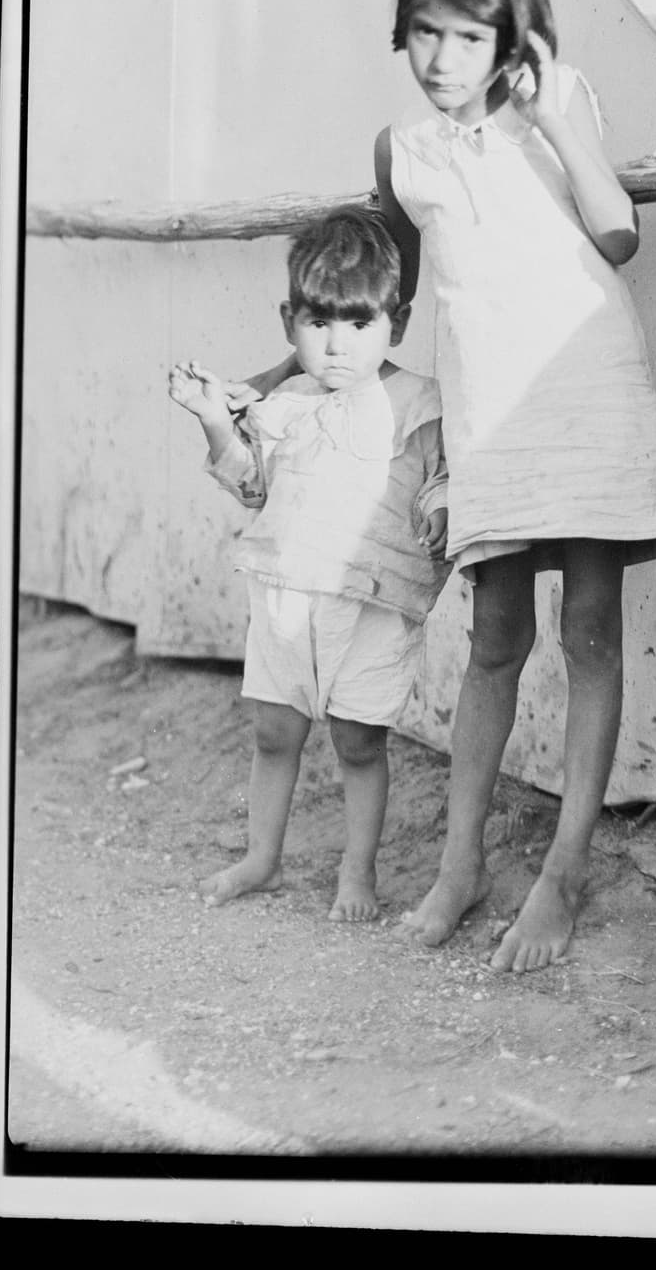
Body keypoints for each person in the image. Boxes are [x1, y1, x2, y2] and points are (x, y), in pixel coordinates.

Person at [374, 0, 656, 972]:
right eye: (424, 32)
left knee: (592, 627)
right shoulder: (403, 153)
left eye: (467, 37)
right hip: (489, 413)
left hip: (584, 386)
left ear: (514, 36)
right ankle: (460, 864)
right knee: (494, 636)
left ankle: (563, 872)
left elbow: (617, 233)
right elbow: (397, 295)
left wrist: (558, 121)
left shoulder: (559, 105)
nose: (439, 59)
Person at [169, 206, 450, 924]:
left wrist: (443, 504)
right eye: (318, 324)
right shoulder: (284, 402)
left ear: (398, 321)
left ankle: (357, 869)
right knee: (274, 731)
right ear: (289, 319)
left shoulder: (417, 403)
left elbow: (446, 475)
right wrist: (211, 417)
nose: (336, 347)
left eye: (359, 325)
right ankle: (263, 857)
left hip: (371, 602)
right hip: (286, 593)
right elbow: (252, 485)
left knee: (358, 741)